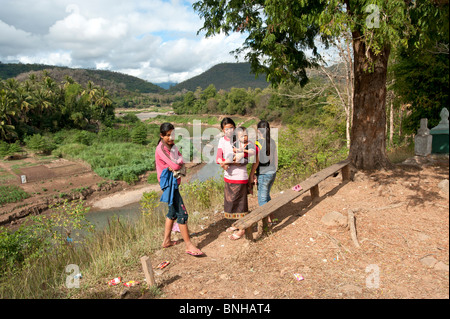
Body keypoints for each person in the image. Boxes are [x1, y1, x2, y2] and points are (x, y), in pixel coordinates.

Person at [155, 122, 203, 256]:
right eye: (168, 135)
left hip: (174, 182)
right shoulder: (161, 149)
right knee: (182, 213)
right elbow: (176, 166)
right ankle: (189, 245)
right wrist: (176, 163)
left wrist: (176, 163)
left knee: (172, 213)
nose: (171, 138)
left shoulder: (172, 146)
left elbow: (181, 159)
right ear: (162, 135)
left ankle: (166, 241)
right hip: (169, 184)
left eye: (172, 134)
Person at [216, 118, 254, 240]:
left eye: (231, 127)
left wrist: (232, 162)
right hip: (228, 176)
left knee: (241, 203)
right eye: (226, 128)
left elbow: (248, 157)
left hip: (240, 176)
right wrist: (222, 163)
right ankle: (236, 224)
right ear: (222, 129)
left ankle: (242, 229)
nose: (229, 130)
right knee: (231, 202)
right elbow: (218, 157)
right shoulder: (222, 141)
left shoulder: (240, 138)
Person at [249, 120, 278, 223]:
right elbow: (274, 158)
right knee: (267, 196)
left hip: (264, 174)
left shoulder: (258, 143)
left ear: (258, 131)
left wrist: (251, 174)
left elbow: (256, 162)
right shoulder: (272, 141)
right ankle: (272, 216)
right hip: (272, 173)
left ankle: (267, 223)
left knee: (262, 199)